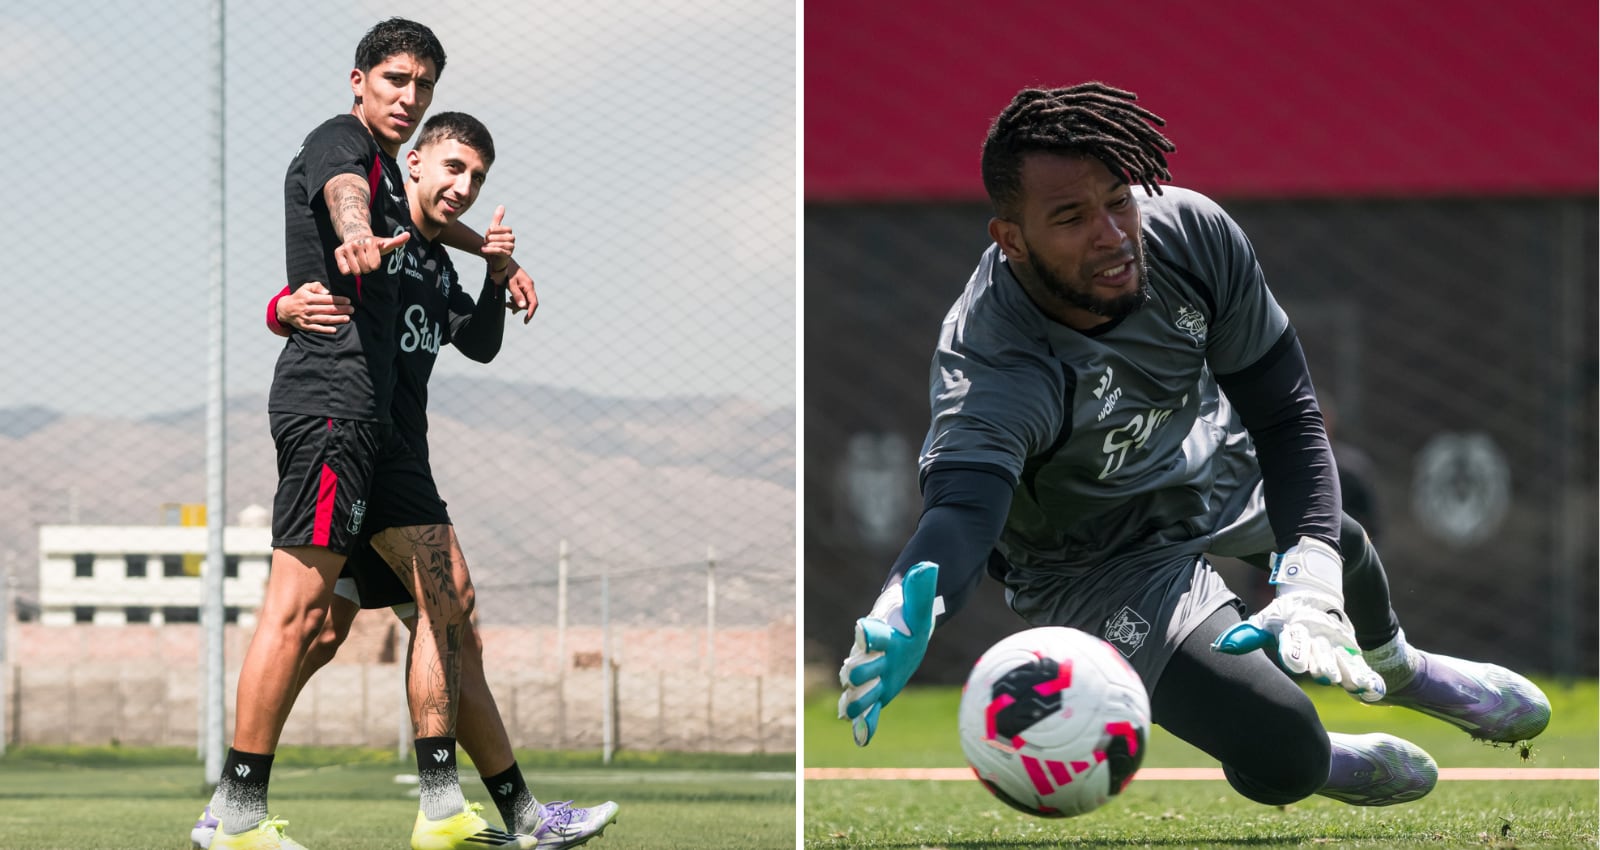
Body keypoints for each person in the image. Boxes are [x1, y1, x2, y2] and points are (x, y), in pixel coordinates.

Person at [836, 82, 1551, 810]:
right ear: (1011, 239)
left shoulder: (1191, 235)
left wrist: (1307, 581)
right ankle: (1320, 757)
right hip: (1095, 559)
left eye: (1118, 199)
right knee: (1287, 754)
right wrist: (905, 604)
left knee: (1341, 544)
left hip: (1206, 458)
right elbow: (963, 512)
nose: (1112, 235)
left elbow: (1286, 416)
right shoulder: (994, 363)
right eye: (1071, 217)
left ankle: (1400, 671)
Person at [191, 114, 617, 850]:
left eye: (476, 177)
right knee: (333, 618)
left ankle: (502, 814)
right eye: (452, 167)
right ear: (413, 163)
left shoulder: (435, 265)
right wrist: (280, 308)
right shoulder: (370, 204)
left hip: (390, 455)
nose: (464, 185)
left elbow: (478, 342)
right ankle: (243, 806)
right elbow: (343, 215)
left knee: (403, 624)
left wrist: (495, 270)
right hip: (348, 435)